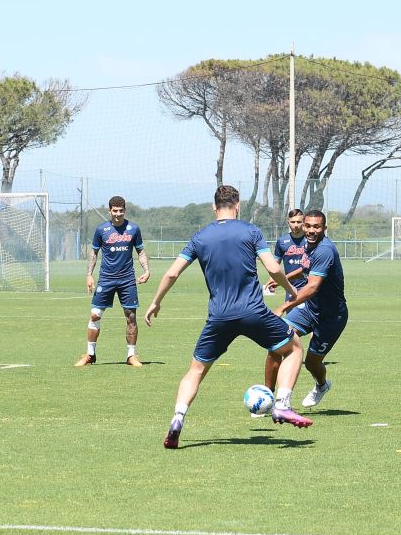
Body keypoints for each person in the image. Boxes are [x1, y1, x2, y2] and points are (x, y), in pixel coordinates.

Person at [143, 184, 311, 449]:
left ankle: (177, 418)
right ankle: (281, 404)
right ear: (238, 205)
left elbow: (172, 273)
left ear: (214, 207)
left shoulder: (200, 237)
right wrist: (291, 290)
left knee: (195, 371)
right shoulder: (251, 231)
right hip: (253, 312)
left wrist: (155, 302)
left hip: (219, 317)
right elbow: (272, 267)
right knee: (294, 349)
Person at [276, 209, 349, 410]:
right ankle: (278, 398)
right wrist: (283, 280)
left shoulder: (325, 249)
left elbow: (312, 287)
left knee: (311, 363)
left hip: (331, 318)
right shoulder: (309, 246)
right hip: (310, 309)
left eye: (316, 226)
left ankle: (322, 385)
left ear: (324, 228)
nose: (310, 230)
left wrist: (284, 305)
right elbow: (306, 269)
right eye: (308, 226)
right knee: (279, 337)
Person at [74, 197, 149, 368]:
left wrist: (146, 270)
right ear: (109, 211)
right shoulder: (101, 230)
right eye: (114, 211)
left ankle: (131, 356)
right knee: (95, 315)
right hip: (106, 279)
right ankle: (90, 355)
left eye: (121, 210)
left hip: (127, 280)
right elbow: (94, 253)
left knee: (131, 317)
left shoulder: (134, 229)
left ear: (125, 210)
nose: (118, 214)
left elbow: (141, 251)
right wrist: (89, 275)